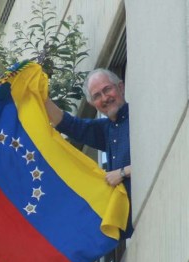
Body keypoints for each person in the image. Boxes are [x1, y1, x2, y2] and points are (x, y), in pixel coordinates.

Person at [45, 68, 133, 238]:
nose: (105, 98)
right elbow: (68, 124)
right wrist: (40, 95)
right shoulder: (106, 129)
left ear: (121, 87)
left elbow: (160, 158)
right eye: (97, 96)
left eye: (107, 89)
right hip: (131, 231)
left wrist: (122, 172)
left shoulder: (140, 116)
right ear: (93, 104)